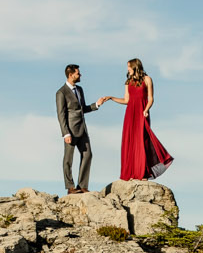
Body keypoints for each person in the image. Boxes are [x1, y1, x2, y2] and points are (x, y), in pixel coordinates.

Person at [96, 57, 173, 182]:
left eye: (129, 66)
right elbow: (126, 100)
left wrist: (146, 110)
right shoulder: (128, 82)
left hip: (142, 113)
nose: (127, 69)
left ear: (135, 66)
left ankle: (142, 173)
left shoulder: (147, 79)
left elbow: (151, 98)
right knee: (130, 142)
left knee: (142, 142)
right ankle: (131, 173)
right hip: (130, 114)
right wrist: (111, 98)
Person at [55, 64, 98, 194]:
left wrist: (96, 105)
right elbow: (61, 114)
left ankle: (82, 185)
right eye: (78, 73)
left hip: (82, 129)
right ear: (71, 75)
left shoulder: (79, 90)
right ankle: (70, 187)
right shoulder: (61, 92)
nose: (80, 75)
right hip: (70, 131)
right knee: (68, 159)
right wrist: (65, 133)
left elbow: (82, 109)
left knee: (88, 155)